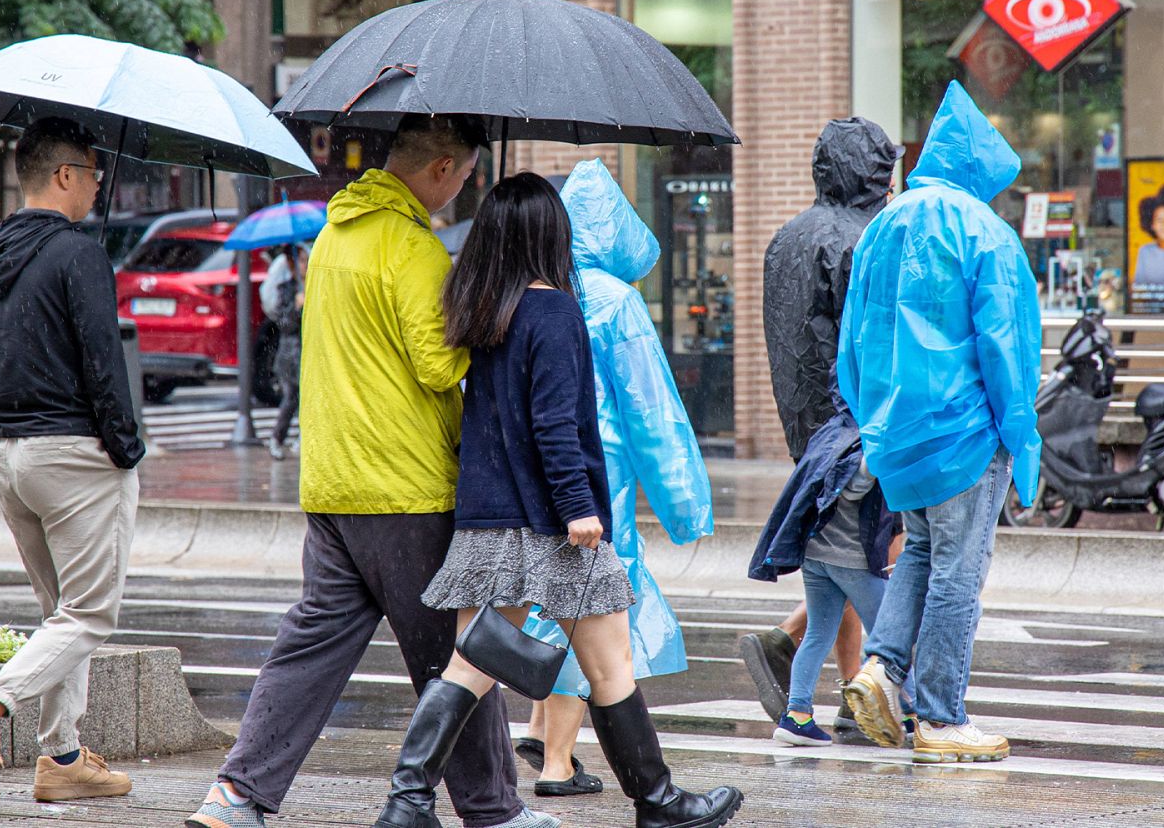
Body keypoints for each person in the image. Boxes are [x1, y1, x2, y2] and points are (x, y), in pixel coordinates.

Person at [186, 116, 554, 828]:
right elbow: (438, 363)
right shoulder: (413, 248)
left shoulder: (335, 235)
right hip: (404, 486)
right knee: (453, 655)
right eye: (468, 172)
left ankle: (236, 796)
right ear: (444, 168)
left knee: (310, 649)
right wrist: (486, 315)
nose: (468, 185)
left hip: (333, 483)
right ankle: (493, 809)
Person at [374, 173, 742, 828]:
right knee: (610, 662)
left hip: (489, 518)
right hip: (552, 522)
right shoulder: (556, 310)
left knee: (471, 663)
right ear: (552, 234)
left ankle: (408, 798)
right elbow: (554, 424)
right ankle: (658, 803)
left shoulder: (481, 310)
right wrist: (578, 506)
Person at [0, 117, 144, 813]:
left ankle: (61, 759)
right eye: (92, 169)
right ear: (63, 175)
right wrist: (126, 448)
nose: (98, 181)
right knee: (89, 615)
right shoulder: (77, 252)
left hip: (8, 453)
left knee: (59, 611)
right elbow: (103, 362)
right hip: (74, 453)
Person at [837, 81, 1042, 764]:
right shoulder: (987, 233)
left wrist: (873, 420)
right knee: (959, 572)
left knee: (922, 554)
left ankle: (882, 668)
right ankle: (941, 717)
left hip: (898, 433)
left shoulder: (883, 225)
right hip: (966, 433)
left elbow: (852, 341)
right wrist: (1023, 438)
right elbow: (1006, 348)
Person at [509, 160, 716, 798]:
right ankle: (558, 764)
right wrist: (686, 505)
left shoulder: (531, 287)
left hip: (536, 473)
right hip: (599, 475)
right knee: (590, 609)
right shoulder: (614, 301)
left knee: (552, 601)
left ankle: (542, 731)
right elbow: (653, 412)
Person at [740, 117, 903, 729]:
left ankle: (811, 662)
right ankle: (860, 696)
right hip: (856, 420)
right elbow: (875, 339)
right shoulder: (868, 237)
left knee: (834, 546)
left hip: (803, 424)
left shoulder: (784, 238)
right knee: (870, 552)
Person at [748, 381, 898, 748]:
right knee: (891, 638)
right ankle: (906, 714)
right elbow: (856, 484)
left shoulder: (830, 432)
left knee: (817, 634)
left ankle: (797, 717)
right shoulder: (867, 441)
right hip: (853, 562)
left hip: (816, 558)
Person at [266, 243, 308, 461]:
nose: (305, 266)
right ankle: (277, 438)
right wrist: (296, 308)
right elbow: (283, 324)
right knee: (291, 398)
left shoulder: (313, 286)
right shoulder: (287, 289)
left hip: (308, 355)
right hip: (290, 356)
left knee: (307, 400)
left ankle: (302, 439)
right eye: (301, 261)